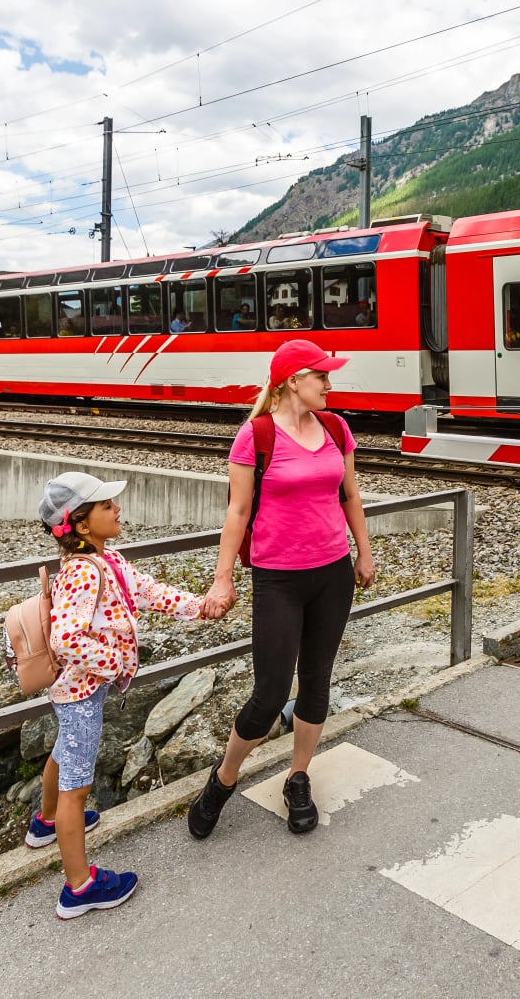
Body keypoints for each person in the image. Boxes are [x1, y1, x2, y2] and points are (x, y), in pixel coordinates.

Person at [187, 339, 377, 839]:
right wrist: (223, 576)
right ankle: (223, 780)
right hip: (278, 579)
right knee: (270, 693)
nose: (330, 385)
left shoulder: (337, 428)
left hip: (333, 573)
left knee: (316, 682)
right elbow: (238, 511)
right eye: (322, 376)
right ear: (294, 380)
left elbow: (351, 495)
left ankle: (298, 776)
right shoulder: (257, 435)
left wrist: (364, 550)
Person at [29, 471, 220, 919]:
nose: (118, 510)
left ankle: (46, 822)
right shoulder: (83, 573)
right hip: (79, 691)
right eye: (106, 506)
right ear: (80, 525)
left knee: (64, 750)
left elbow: (147, 591)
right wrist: (114, 665)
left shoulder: (107, 560)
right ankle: (78, 887)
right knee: (79, 786)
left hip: (79, 690)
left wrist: (199, 606)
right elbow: (66, 640)